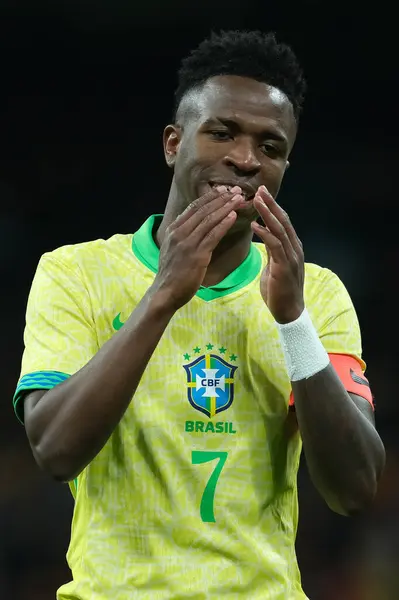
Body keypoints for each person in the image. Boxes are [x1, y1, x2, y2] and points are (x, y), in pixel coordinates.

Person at [13, 30, 385, 600]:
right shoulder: (75, 273)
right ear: (172, 143)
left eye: (270, 147)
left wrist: (293, 323)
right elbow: (55, 450)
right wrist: (163, 295)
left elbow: (355, 489)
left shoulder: (315, 293)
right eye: (222, 132)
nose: (244, 159)